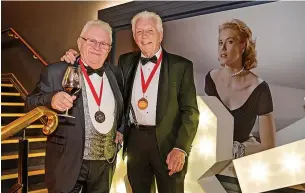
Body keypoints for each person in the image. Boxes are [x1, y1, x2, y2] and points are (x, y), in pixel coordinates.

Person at [61, 11, 199, 193]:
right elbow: (97, 64)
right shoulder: (125, 61)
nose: (144, 36)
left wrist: (181, 148)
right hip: (135, 141)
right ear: (134, 36)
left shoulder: (181, 66)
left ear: (161, 34)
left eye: (149, 31)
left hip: (168, 144)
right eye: (139, 31)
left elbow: (190, 111)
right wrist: (75, 58)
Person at [26, 19, 124, 193]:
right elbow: (30, 103)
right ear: (80, 43)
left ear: (109, 49)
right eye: (91, 41)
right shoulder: (56, 71)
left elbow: (120, 106)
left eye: (104, 44)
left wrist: (120, 129)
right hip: (68, 163)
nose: (97, 47)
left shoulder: (116, 73)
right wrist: (51, 99)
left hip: (105, 165)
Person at [204, 19, 276, 158]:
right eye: (220, 42)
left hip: (242, 163)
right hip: (210, 156)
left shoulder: (260, 88)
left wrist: (237, 151)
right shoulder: (211, 78)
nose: (222, 48)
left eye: (230, 42)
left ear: (243, 45)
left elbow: (269, 146)